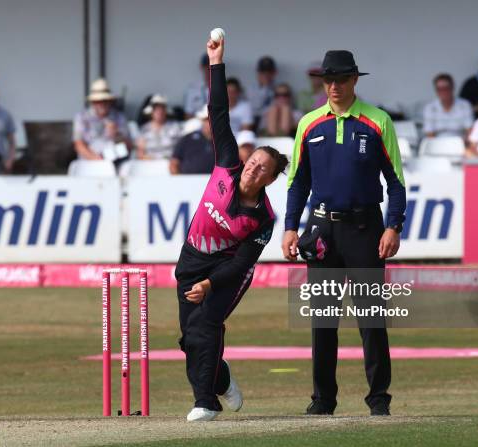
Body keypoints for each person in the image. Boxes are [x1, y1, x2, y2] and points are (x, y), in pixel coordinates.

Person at [282, 50, 406, 417]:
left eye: (341, 79)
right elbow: (296, 182)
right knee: (323, 320)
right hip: (320, 231)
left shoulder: (377, 121)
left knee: (371, 318)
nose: (334, 87)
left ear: (355, 80)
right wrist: (290, 227)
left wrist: (393, 226)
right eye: (328, 80)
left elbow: (396, 183)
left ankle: (379, 399)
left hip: (365, 229)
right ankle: (323, 400)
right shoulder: (308, 123)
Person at [176, 36, 288, 422]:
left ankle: (205, 402)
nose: (253, 169)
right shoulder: (226, 162)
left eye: (263, 169)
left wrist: (210, 284)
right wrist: (216, 63)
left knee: (206, 325)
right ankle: (222, 381)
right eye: (253, 161)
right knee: (189, 340)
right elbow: (218, 111)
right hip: (191, 258)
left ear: (270, 180)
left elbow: (241, 265)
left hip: (225, 273)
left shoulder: (262, 220)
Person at [73, 78, 132, 161]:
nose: (102, 104)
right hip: (89, 162)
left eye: (105, 100)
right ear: (93, 102)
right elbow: (78, 144)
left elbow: (129, 147)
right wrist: (95, 159)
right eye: (98, 101)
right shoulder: (82, 117)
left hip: (114, 161)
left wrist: (117, 135)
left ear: (110, 101)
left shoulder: (119, 117)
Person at [423, 73, 474, 141]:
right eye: (439, 89)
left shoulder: (465, 105)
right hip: (437, 145)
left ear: (452, 88)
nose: (443, 92)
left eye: (446, 88)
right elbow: (429, 133)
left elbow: (469, 131)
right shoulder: (429, 108)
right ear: (436, 90)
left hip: (460, 144)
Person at [169, 105, 214, 174]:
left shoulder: (225, 142)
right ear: (202, 121)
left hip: (216, 182)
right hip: (187, 181)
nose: (210, 122)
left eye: (213, 119)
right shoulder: (187, 139)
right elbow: (174, 163)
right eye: (207, 119)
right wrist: (178, 181)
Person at [136, 94, 181, 160]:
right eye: (156, 109)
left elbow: (181, 148)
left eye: (162, 109)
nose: (159, 112)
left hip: (169, 163)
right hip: (149, 164)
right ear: (151, 112)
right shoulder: (144, 129)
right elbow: (140, 152)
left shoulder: (175, 127)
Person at [247, 56, 278, 128]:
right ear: (258, 73)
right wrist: (265, 87)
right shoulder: (251, 89)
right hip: (254, 122)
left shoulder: (279, 88)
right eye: (263, 72)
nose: (266, 75)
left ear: (274, 73)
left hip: (272, 123)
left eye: (269, 72)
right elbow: (256, 108)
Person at [183, 53, 210, 119]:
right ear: (201, 67)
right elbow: (188, 114)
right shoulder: (193, 89)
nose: (209, 69)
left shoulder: (225, 88)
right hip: (198, 124)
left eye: (212, 66)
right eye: (207, 66)